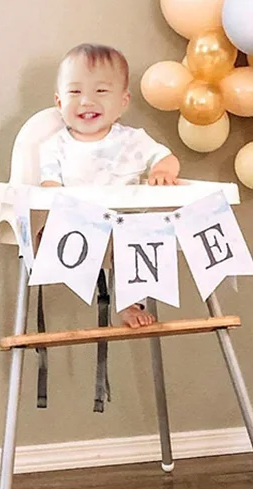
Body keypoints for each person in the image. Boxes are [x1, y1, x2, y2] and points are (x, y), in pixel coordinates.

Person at [39, 43, 181, 328]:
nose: (87, 101)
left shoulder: (133, 140)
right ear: (59, 102)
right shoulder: (55, 146)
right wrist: (55, 206)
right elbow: (49, 186)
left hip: (126, 223)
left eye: (101, 91)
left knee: (143, 235)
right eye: (75, 92)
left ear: (123, 102)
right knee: (49, 229)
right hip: (79, 223)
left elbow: (167, 158)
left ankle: (131, 303)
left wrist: (162, 171)